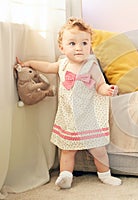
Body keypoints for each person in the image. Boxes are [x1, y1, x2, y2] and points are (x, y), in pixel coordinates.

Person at [17, 17, 121, 188]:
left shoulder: (91, 66)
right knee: (67, 150)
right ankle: (66, 176)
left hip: (88, 116)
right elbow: (46, 66)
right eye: (72, 43)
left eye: (84, 43)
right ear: (62, 47)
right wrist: (29, 63)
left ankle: (105, 174)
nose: (79, 48)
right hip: (69, 117)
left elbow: (100, 85)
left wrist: (106, 90)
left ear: (90, 46)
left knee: (98, 150)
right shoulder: (62, 64)